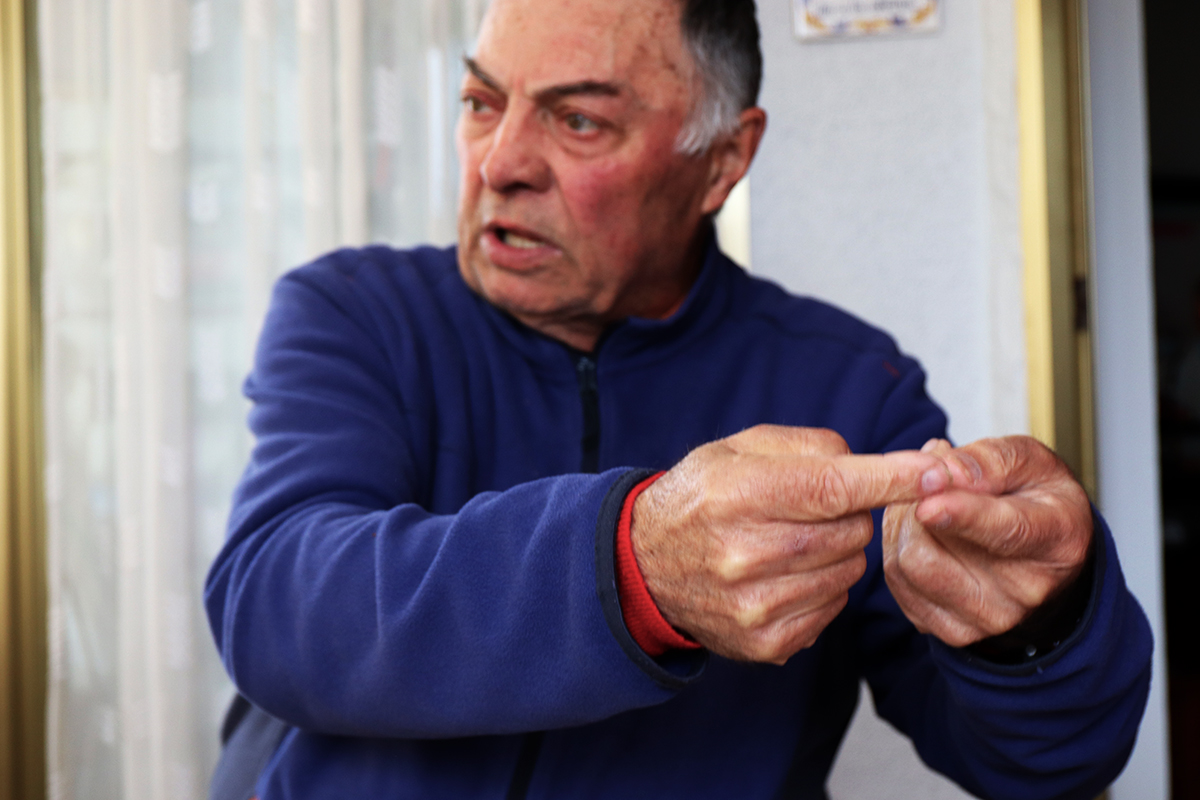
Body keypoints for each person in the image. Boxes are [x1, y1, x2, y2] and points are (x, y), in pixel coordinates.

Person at [204, 0, 1152, 797]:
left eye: (578, 121)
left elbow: (1041, 767)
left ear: (723, 161)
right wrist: (635, 568)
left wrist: (1038, 624)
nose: (499, 163)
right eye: (481, 103)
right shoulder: (355, 311)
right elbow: (277, 606)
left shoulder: (852, 389)